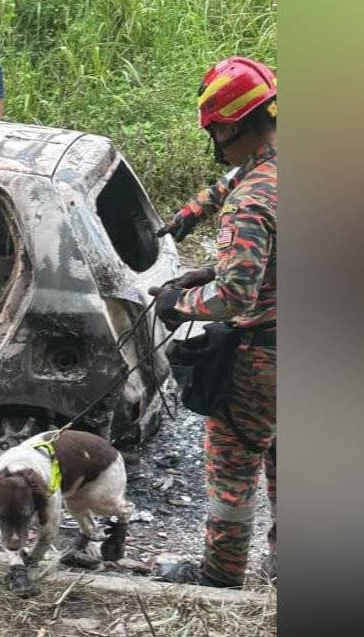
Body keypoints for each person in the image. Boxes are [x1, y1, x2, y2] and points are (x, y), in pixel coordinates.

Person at [149, 56, 277, 588]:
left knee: (232, 466)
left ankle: (219, 577)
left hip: (265, 356)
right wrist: (183, 225)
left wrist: (178, 303)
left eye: (216, 132)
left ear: (228, 125)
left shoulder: (251, 202)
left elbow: (233, 296)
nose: (216, 142)